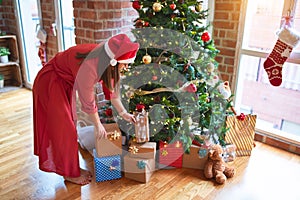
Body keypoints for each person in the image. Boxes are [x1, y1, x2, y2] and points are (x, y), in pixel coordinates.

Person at [33, 34, 139, 185]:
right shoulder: (90, 66)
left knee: (69, 126)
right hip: (50, 83)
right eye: (125, 64)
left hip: (63, 83)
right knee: (65, 129)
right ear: (114, 62)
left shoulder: (108, 62)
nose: (127, 67)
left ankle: (71, 168)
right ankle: (69, 173)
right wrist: (98, 125)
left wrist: (123, 112)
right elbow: (88, 101)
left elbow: (112, 91)